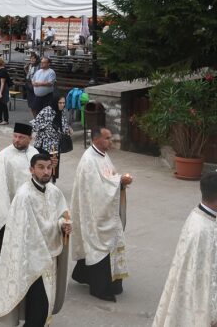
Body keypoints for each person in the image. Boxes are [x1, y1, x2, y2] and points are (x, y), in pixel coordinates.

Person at [153, 171, 217, 327]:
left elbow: (214, 251)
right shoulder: (203, 229)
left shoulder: (199, 214)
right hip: (202, 296)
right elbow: (212, 273)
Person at [0, 153, 70, 326]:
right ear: (31, 170)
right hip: (33, 260)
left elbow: (62, 215)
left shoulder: (54, 192)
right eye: (41, 167)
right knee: (38, 304)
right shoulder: (24, 196)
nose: (46, 171)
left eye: (49, 167)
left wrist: (63, 225)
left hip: (50, 256)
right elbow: (24, 232)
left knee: (46, 303)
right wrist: (56, 227)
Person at [69, 127, 131, 302]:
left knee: (108, 243)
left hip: (105, 210)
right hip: (94, 212)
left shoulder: (103, 155)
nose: (111, 141)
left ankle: (85, 275)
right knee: (99, 245)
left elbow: (107, 178)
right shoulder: (89, 160)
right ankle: (100, 288)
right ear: (96, 139)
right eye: (108, 138)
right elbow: (97, 189)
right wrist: (119, 181)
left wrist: (119, 181)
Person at [0, 122, 43, 266]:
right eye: (15, 136)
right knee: (11, 247)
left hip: (33, 207)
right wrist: (6, 208)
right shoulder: (4, 156)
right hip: (11, 208)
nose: (17, 140)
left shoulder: (35, 153)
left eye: (21, 137)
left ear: (30, 138)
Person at [31, 95, 71, 182]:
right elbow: (34, 126)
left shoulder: (62, 112)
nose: (62, 105)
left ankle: (52, 183)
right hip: (43, 145)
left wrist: (67, 130)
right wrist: (45, 126)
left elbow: (64, 126)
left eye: (63, 103)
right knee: (42, 165)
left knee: (53, 165)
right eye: (60, 103)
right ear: (55, 102)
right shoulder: (46, 111)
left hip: (55, 145)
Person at [0, 57, 11, 124]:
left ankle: (6, 120)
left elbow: (2, 83)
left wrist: (0, 93)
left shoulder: (3, 71)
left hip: (1, 89)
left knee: (3, 104)